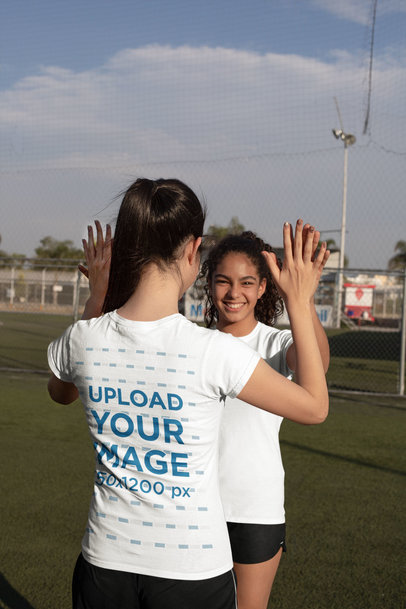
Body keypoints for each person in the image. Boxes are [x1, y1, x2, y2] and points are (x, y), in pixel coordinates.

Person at [47, 177, 329, 609]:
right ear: (194, 251)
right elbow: (314, 407)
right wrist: (300, 297)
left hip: (103, 563)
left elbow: (60, 392)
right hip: (191, 569)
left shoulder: (83, 339)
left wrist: (97, 297)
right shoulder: (213, 351)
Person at [200, 230, 330, 609]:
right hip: (195, 506)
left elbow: (316, 367)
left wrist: (300, 301)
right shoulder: (195, 343)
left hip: (254, 509)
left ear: (262, 289)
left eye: (246, 283)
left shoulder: (276, 343)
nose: (233, 292)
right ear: (208, 285)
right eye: (223, 281)